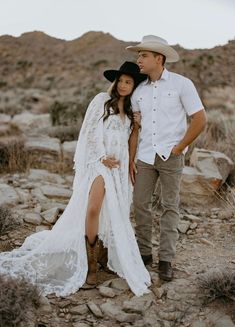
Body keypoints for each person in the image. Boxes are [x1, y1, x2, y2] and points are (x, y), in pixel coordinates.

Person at [0, 61, 151, 297]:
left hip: (119, 168)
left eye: (128, 82)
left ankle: (102, 253)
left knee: (114, 212)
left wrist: (134, 148)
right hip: (99, 164)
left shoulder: (132, 110)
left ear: (134, 86)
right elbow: (90, 132)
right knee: (93, 209)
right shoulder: (101, 101)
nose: (123, 85)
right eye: (120, 80)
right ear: (115, 82)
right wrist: (101, 156)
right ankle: (91, 265)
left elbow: (131, 141)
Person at [127, 35, 207, 281]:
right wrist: (131, 159)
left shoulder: (182, 84)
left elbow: (200, 119)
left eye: (143, 55)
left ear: (158, 58)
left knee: (170, 207)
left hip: (171, 156)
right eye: (138, 55)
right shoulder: (138, 90)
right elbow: (135, 129)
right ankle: (144, 254)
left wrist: (179, 147)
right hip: (144, 157)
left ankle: (166, 260)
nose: (138, 60)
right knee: (140, 204)